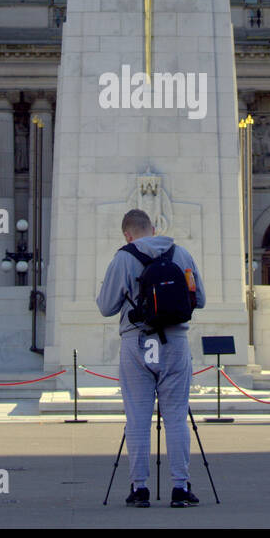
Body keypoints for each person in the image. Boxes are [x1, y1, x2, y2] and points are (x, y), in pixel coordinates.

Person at [96, 208, 206, 508]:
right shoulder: (180, 254)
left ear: (127, 234)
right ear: (154, 228)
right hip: (175, 342)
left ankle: (139, 488)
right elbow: (201, 299)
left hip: (137, 342)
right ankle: (181, 488)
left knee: (138, 419)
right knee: (176, 417)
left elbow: (106, 307)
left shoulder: (122, 257)